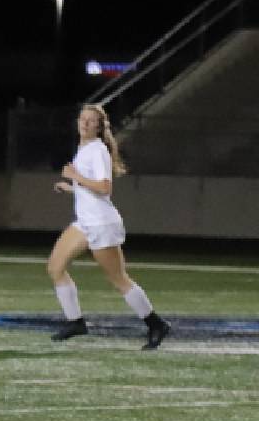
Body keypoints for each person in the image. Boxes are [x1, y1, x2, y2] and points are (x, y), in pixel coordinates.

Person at [48, 104, 171, 350]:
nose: (84, 123)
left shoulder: (97, 150)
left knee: (118, 279)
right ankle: (75, 322)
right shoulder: (84, 148)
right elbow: (90, 190)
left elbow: (105, 188)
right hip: (85, 222)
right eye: (82, 119)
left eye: (90, 120)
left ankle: (156, 324)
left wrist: (75, 176)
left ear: (99, 126)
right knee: (55, 267)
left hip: (101, 224)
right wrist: (71, 187)